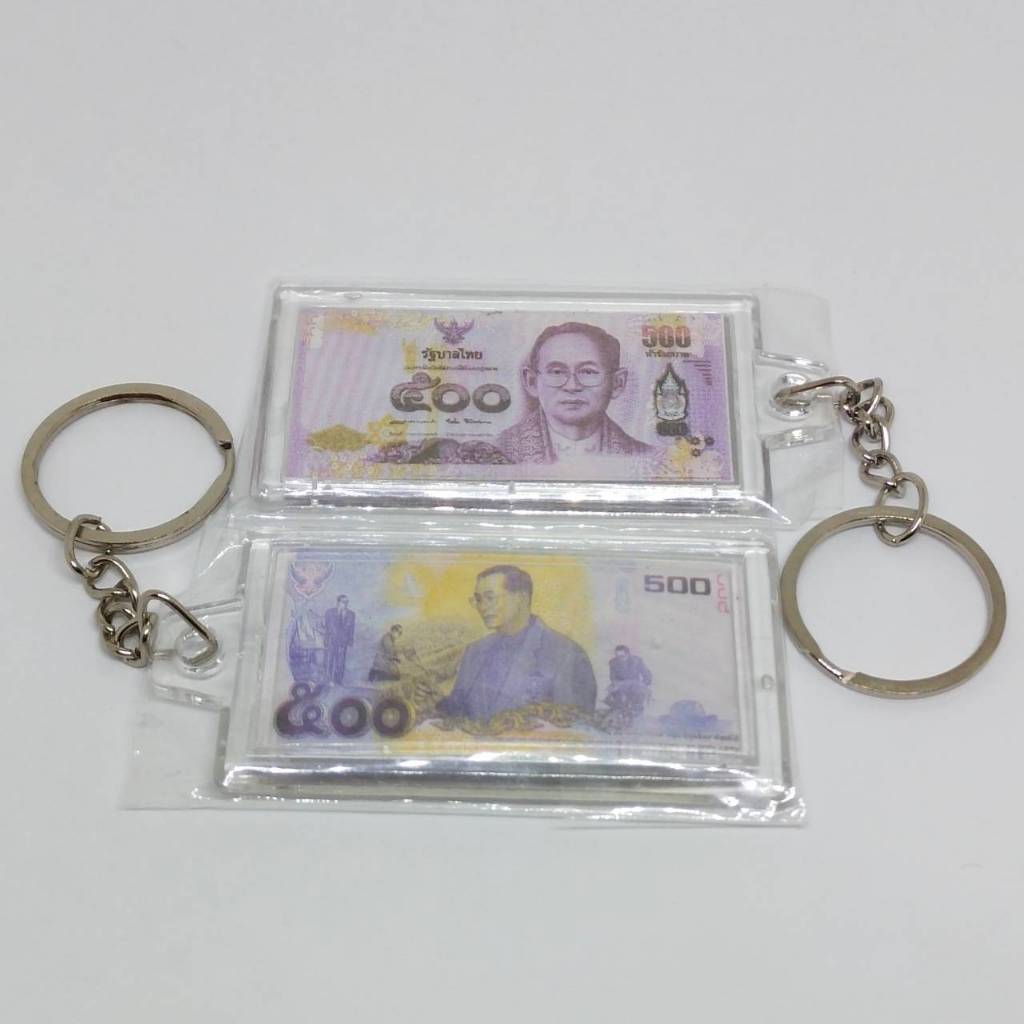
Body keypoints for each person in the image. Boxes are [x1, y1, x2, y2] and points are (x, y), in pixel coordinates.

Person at [436, 565, 597, 720]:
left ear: (522, 598)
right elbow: (457, 714)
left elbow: (578, 730)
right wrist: (434, 701)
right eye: (478, 599)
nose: (483, 607)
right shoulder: (474, 651)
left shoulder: (568, 655)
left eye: (490, 598)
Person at [497, 322, 650, 463]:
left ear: (617, 383)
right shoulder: (495, 452)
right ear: (531, 382)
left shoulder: (649, 458)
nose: (572, 386)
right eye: (557, 372)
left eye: (588, 372)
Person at [324, 595, 356, 685]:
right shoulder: (329, 612)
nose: (345, 604)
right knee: (329, 661)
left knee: (340, 662)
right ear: (338, 602)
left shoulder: (351, 614)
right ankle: (328, 680)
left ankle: (338, 681)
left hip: (343, 642)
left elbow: (352, 628)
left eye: (347, 602)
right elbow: (326, 627)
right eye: (343, 602)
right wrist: (326, 639)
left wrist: (350, 640)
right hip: (331, 641)